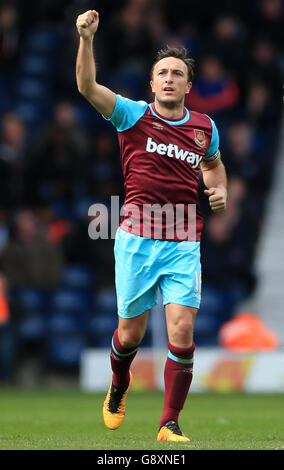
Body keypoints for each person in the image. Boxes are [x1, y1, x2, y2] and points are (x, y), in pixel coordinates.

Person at [76, 10, 227, 442]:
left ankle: (169, 423)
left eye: (177, 73)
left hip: (183, 238)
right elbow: (87, 87)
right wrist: (86, 40)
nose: (168, 79)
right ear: (151, 82)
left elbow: (215, 169)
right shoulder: (133, 116)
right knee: (130, 335)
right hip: (137, 238)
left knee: (181, 330)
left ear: (187, 86)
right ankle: (119, 385)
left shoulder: (204, 128)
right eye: (161, 72)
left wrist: (220, 191)